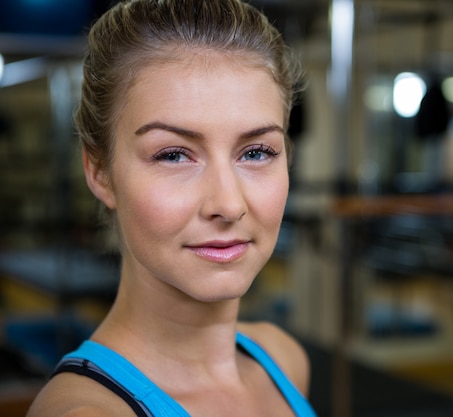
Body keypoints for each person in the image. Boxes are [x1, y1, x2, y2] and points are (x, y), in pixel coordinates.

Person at [26, 0, 314, 416]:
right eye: (174, 155)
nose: (228, 204)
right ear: (100, 172)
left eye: (256, 152)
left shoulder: (283, 359)